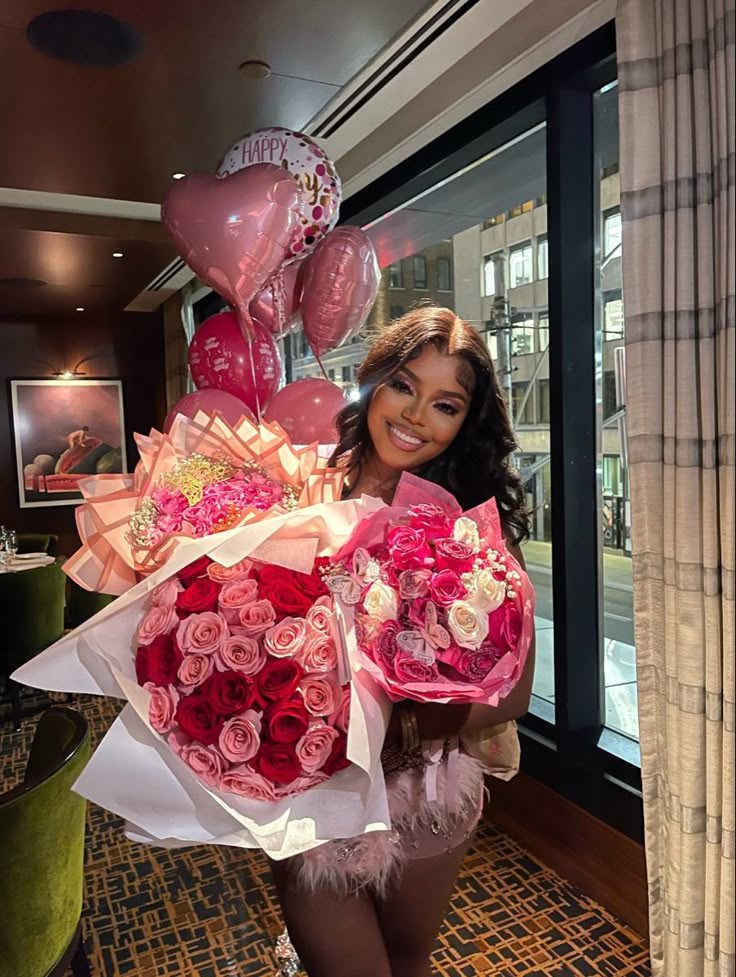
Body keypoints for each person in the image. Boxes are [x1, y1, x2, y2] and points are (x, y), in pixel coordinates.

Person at [270, 307, 536, 977]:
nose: (416, 414)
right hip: (310, 780)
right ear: (375, 381)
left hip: (423, 781)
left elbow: (516, 692)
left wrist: (401, 726)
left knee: (407, 959)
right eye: (404, 386)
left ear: (464, 423)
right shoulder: (306, 488)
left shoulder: (470, 530)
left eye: (444, 403)